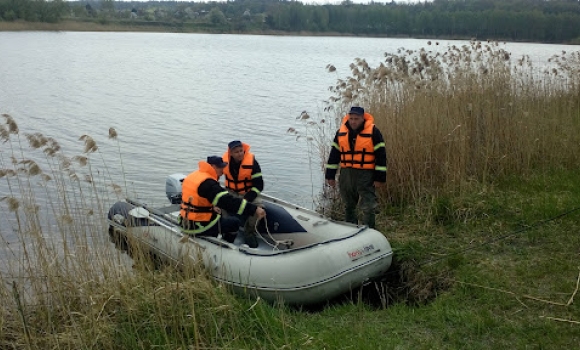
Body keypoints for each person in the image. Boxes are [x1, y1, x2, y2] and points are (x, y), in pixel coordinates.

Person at [180, 155, 266, 247]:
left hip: (184, 221)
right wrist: (254, 209)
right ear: (212, 167)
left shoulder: (195, 175)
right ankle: (226, 245)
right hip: (198, 226)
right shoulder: (209, 183)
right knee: (234, 223)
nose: (223, 170)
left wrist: (212, 206)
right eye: (220, 167)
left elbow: (197, 197)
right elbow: (228, 202)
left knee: (220, 214)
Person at [325, 106, 387, 228]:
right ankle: (350, 229)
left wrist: (380, 178)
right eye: (351, 118)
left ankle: (369, 231)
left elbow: (381, 155)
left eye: (356, 119)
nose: (353, 121)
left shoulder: (374, 132)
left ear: (362, 118)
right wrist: (330, 175)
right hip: (346, 173)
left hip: (366, 173)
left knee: (368, 205)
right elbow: (334, 155)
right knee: (348, 204)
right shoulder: (341, 132)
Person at [222, 140, 264, 248]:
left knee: (258, 208)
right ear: (230, 153)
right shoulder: (224, 162)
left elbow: (259, 185)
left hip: (248, 192)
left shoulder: (252, 162)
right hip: (231, 191)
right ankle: (226, 230)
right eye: (236, 152)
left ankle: (249, 233)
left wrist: (247, 197)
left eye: (241, 151)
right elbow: (214, 175)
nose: (240, 153)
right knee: (221, 204)